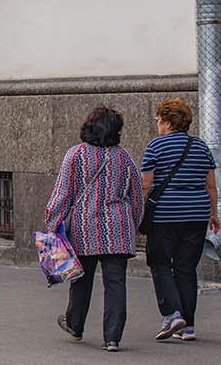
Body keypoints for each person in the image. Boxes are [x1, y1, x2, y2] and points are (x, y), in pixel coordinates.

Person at [43, 106, 145, 352]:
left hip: (83, 227)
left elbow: (62, 193)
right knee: (116, 284)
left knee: (81, 279)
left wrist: (52, 223)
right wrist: (133, 224)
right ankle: (112, 338)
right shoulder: (124, 157)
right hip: (118, 228)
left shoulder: (75, 155)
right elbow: (137, 196)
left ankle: (75, 325)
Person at [142, 97, 219, 342]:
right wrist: (214, 214)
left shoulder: (156, 147)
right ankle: (189, 327)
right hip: (197, 215)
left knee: (160, 262)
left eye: (158, 120)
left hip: (165, 215)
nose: (157, 124)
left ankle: (172, 314)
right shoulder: (201, 147)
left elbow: (145, 184)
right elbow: (211, 185)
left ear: (167, 122)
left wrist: (137, 211)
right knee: (186, 268)